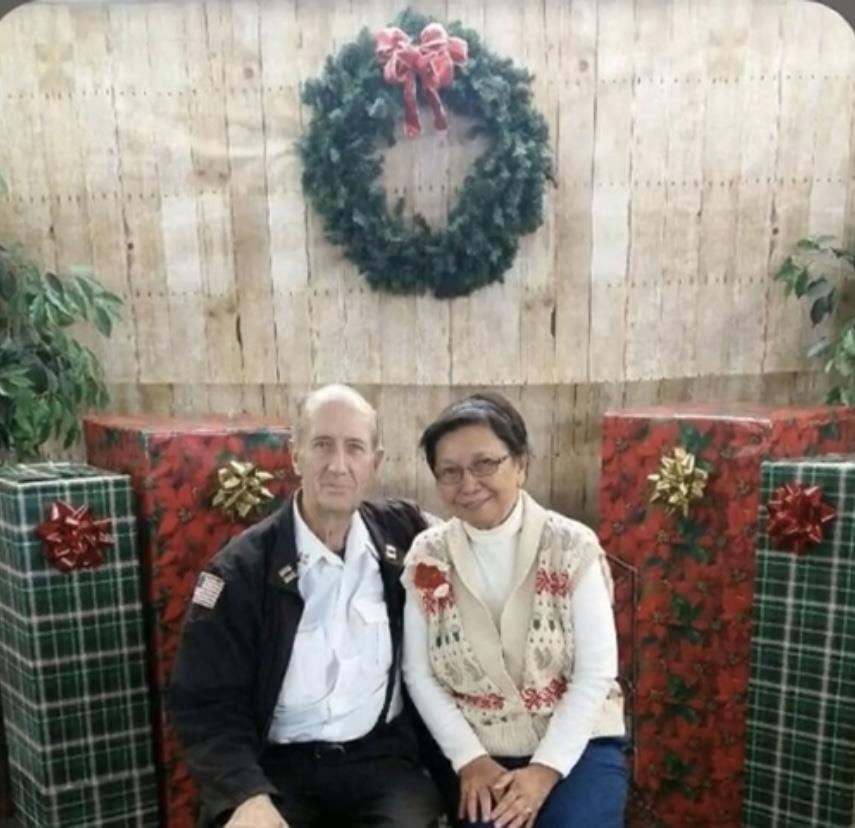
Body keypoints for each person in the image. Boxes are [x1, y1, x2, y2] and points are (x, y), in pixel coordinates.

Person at [168, 384, 443, 828]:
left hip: (382, 762)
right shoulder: (240, 571)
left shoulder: (405, 535)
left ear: (376, 461)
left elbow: (477, 539)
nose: (338, 465)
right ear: (295, 456)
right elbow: (202, 703)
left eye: (354, 447)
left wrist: (570, 555)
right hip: (276, 768)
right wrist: (245, 794)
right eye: (322, 445)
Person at [402, 392, 627, 828]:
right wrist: (470, 760)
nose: (468, 483)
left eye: (486, 463)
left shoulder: (572, 547)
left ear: (520, 464)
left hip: (578, 743)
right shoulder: (426, 557)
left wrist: (545, 770)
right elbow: (419, 674)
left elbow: (596, 673)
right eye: (450, 471)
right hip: (480, 750)